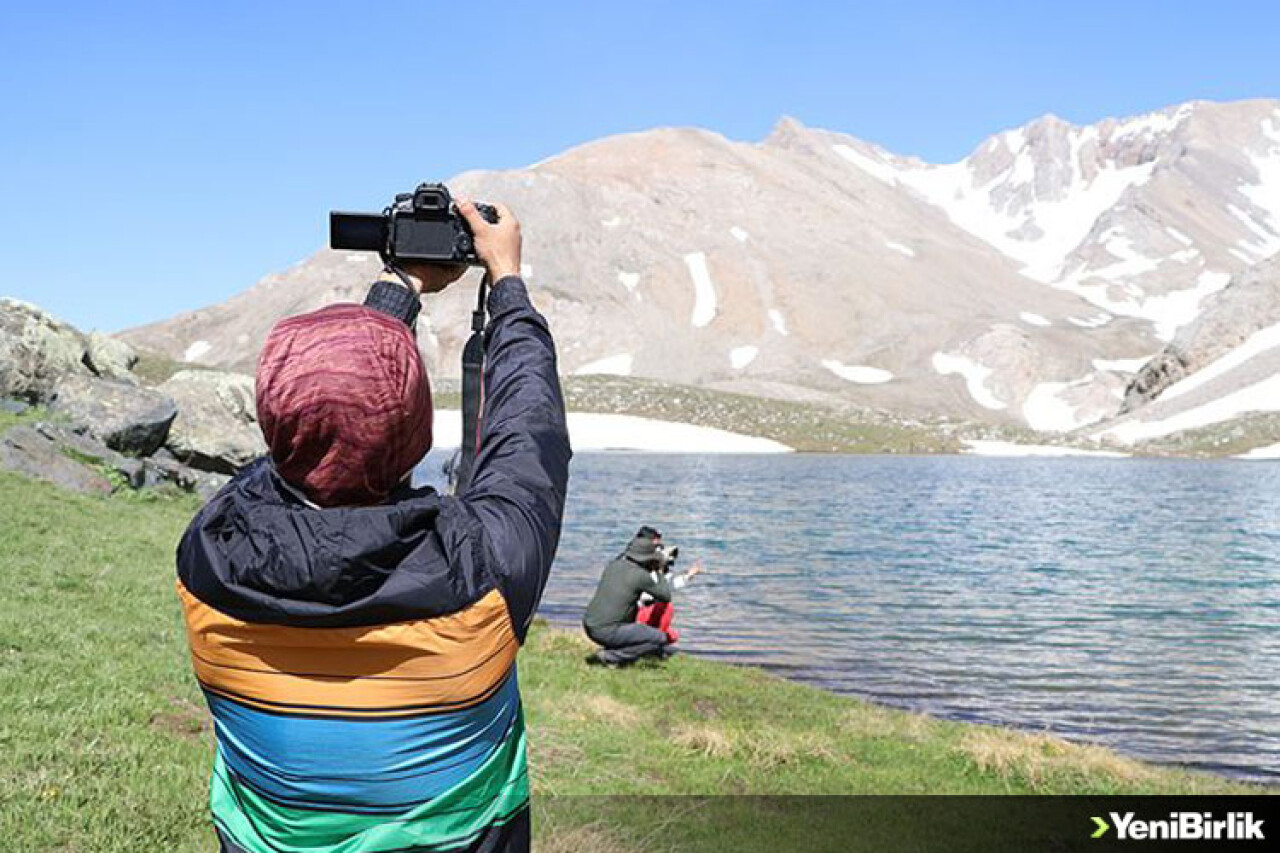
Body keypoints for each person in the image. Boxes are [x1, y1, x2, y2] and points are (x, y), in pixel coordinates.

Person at [175, 198, 571, 853]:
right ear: (415, 432)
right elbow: (529, 432)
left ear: (272, 419)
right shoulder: (485, 573)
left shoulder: (208, 558)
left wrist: (395, 290)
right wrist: (507, 283)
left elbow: (309, 431)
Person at [582, 526, 702, 665]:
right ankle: (612, 656)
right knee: (659, 638)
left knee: (641, 631)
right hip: (608, 630)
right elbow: (665, 595)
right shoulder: (640, 576)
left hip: (590, 624)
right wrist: (659, 569)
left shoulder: (614, 565)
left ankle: (617, 648)